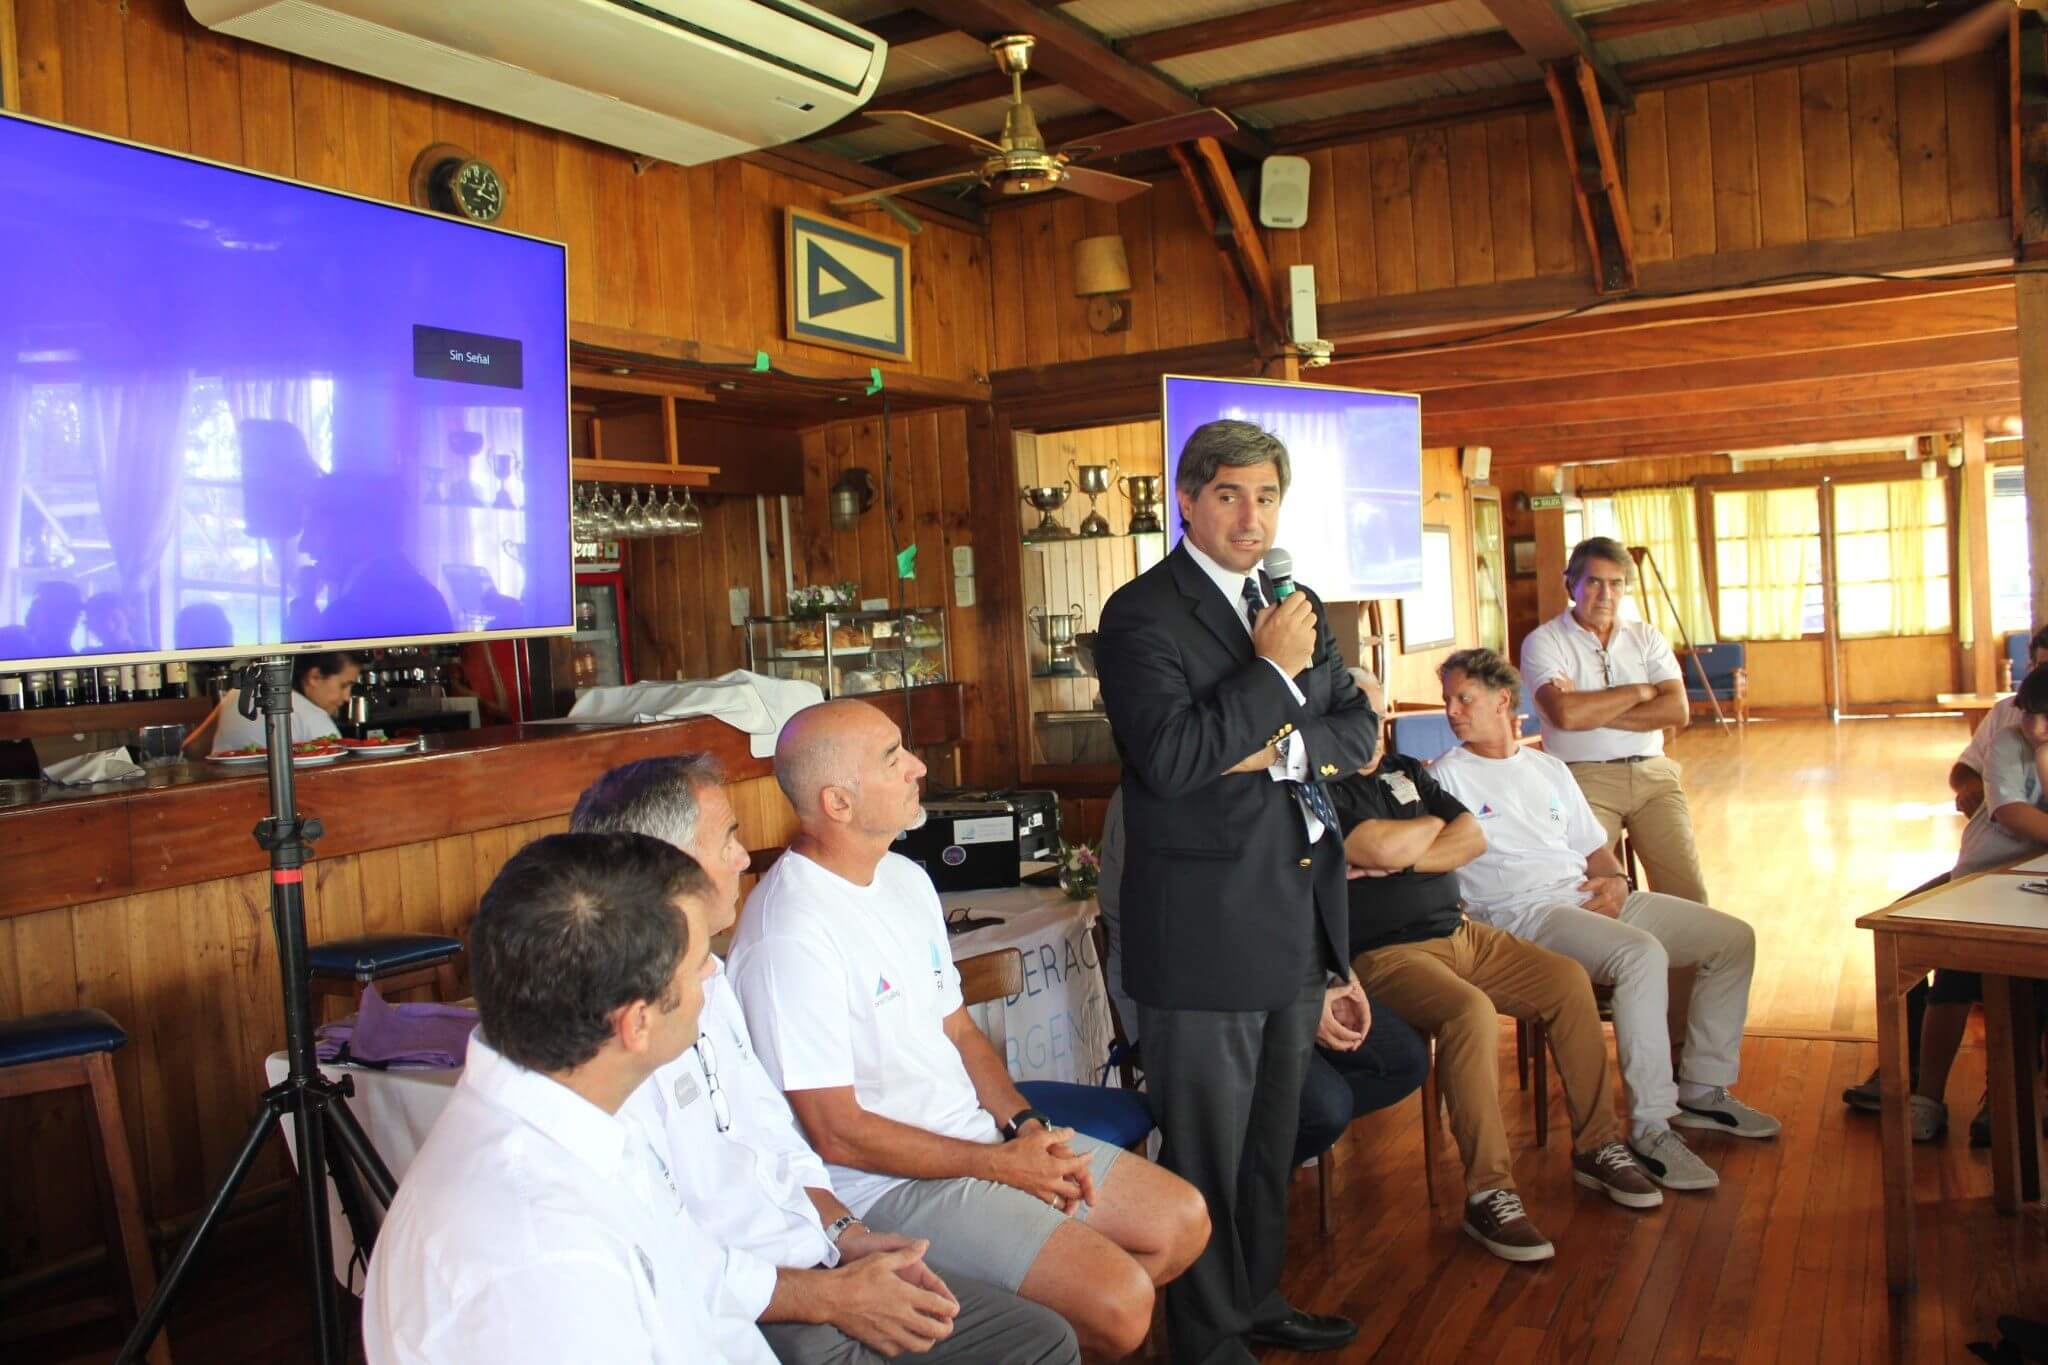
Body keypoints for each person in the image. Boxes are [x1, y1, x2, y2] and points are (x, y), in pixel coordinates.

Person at [729, 700, 1209, 1360]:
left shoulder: (904, 877)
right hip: (888, 1186)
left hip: (980, 1143)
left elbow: (957, 1029)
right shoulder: (790, 930)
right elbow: (835, 1129)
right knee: (1121, 1303)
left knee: (1180, 1223)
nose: (918, 766)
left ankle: (1042, 1330)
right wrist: (999, 1167)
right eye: (894, 756)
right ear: (838, 801)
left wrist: (1025, 1128)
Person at [570, 756, 1081, 1365]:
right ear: (664, 862)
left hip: (815, 1251)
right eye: (729, 837)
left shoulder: (712, 979)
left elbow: (776, 1142)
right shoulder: (620, 1035)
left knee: (1042, 1335)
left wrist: (850, 1238)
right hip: (759, 1307)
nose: (743, 858)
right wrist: (828, 1295)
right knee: (1071, 1320)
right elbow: (670, 1256)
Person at [1092, 419, 1379, 1364]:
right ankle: (1209, 1340)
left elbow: (1354, 732)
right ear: (1186, 498)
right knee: (1208, 1149)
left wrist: (1274, 748)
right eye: (1229, 496)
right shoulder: (1142, 614)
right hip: (1204, 927)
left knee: (1270, 1138)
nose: (1251, 517)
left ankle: (1258, 1297)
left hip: (1296, 910)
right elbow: (1173, 761)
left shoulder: (1293, 600)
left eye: (1266, 498)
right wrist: (1268, 673)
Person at [359, 830, 764, 1363]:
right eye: (695, 968)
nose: (712, 974)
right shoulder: (544, 1255)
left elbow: (693, 1287)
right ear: (636, 1023)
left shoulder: (578, 1109)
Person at [1330, 669, 1660, 1260]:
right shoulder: (1320, 788)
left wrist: (1412, 849)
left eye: (1378, 713)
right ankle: (1489, 1194)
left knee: (1564, 981)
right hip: (1386, 953)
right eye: (1360, 714)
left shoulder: (1403, 771)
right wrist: (1430, 834)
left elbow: (1472, 837)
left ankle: (1597, 1146)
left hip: (1462, 933)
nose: (1374, 728)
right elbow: (1373, 847)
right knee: (1471, 1013)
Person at [1431, 648, 1780, 1194]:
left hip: (1587, 894)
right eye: (1447, 699)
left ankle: (1704, 1089)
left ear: (1502, 700)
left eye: (1463, 697)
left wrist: (1617, 881)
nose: (1451, 710)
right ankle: (1650, 1125)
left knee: (1731, 939)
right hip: (1526, 915)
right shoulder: (1447, 778)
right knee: (1641, 955)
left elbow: (1596, 853)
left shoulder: (1546, 766)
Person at [1096, 784, 1432, 1171]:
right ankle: (1217, 1172)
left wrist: (1338, 975)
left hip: (1281, 981)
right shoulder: (1151, 796)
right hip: (1191, 1010)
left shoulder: (1275, 780)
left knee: (1402, 1060)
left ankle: (1250, 1154)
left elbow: (1297, 900)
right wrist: (1303, 998)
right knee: (1325, 1109)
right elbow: (1198, 939)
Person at [1896, 667, 2048, 1143]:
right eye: (2032, 716)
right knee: (1953, 985)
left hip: (2032, 884)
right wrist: (2041, 750)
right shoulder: (2007, 738)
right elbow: (2009, 810)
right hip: (1983, 876)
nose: (2037, 727)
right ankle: (1928, 1097)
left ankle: (2006, 1098)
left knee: (2033, 997)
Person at [1520, 537, 1704, 904]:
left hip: (1654, 775)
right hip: (1582, 778)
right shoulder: (1544, 642)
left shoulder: (1646, 638)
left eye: (1616, 583)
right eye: (1593, 581)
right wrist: (1640, 691)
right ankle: (1625, 960)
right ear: (1570, 583)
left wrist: (1591, 707)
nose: (1605, 594)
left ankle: (1684, 963)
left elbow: (1677, 712)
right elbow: (1566, 715)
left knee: (1689, 897)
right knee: (1595, 895)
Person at [208, 650, 364, 753]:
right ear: (314, 677)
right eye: (344, 686)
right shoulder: (312, 718)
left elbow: (192, 748)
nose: (346, 697)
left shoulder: (238, 693)